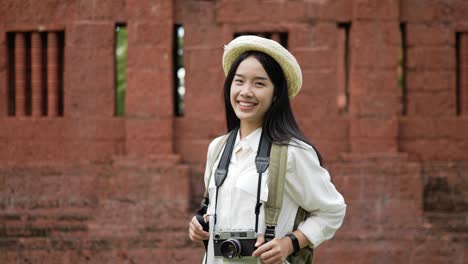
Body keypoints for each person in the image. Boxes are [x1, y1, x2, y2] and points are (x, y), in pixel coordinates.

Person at [188, 35, 346, 264]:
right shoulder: (218, 148)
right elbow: (220, 208)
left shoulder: (292, 153)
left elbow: (332, 211)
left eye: (259, 83)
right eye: (239, 81)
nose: (246, 92)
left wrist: (290, 242)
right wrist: (200, 224)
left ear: (275, 94)